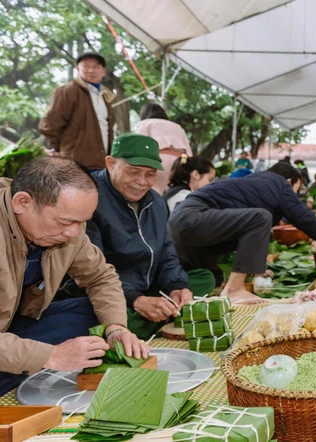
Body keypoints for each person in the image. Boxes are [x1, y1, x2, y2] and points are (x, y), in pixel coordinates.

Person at [0, 157, 147, 396]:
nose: (73, 233)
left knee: (92, 313)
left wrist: (115, 328)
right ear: (22, 202)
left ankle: (20, 369)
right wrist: (52, 356)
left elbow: (100, 277)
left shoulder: (69, 230)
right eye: (65, 222)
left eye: (82, 222)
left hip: (14, 326)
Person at [59, 134, 216, 339]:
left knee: (204, 278)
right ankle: (151, 319)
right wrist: (136, 300)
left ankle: (160, 313)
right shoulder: (90, 198)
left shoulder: (157, 203)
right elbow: (91, 273)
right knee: (106, 317)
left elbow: (166, 251)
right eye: (133, 172)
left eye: (150, 174)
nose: (141, 182)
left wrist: (176, 286)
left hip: (147, 286)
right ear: (110, 163)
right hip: (106, 292)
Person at [169, 161, 316, 304]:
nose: (295, 196)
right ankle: (234, 290)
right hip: (194, 217)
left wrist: (257, 269)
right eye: (296, 190)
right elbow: (303, 217)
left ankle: (225, 289)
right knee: (261, 217)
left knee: (210, 281)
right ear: (289, 182)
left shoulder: (254, 184)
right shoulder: (278, 183)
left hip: (181, 226)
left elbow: (243, 233)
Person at [39, 53, 114, 171]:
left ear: (103, 71)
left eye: (95, 67)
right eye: (85, 66)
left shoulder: (106, 95)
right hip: (75, 164)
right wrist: (60, 150)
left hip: (102, 163)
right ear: (77, 69)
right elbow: (50, 124)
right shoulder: (67, 91)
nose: (91, 70)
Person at [134, 102, 193, 195]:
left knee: (153, 193)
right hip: (180, 162)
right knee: (173, 193)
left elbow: (139, 147)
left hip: (157, 160)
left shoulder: (144, 123)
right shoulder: (178, 127)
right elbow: (189, 154)